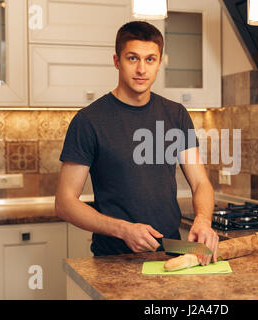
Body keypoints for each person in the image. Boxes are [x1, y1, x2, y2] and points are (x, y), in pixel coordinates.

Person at [54, 21, 218, 265]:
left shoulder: (176, 115)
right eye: (133, 58)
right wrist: (123, 230)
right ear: (117, 61)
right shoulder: (88, 121)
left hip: (171, 252)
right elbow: (65, 203)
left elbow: (200, 183)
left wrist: (203, 219)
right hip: (114, 259)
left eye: (150, 59)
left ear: (159, 62)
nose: (142, 69)